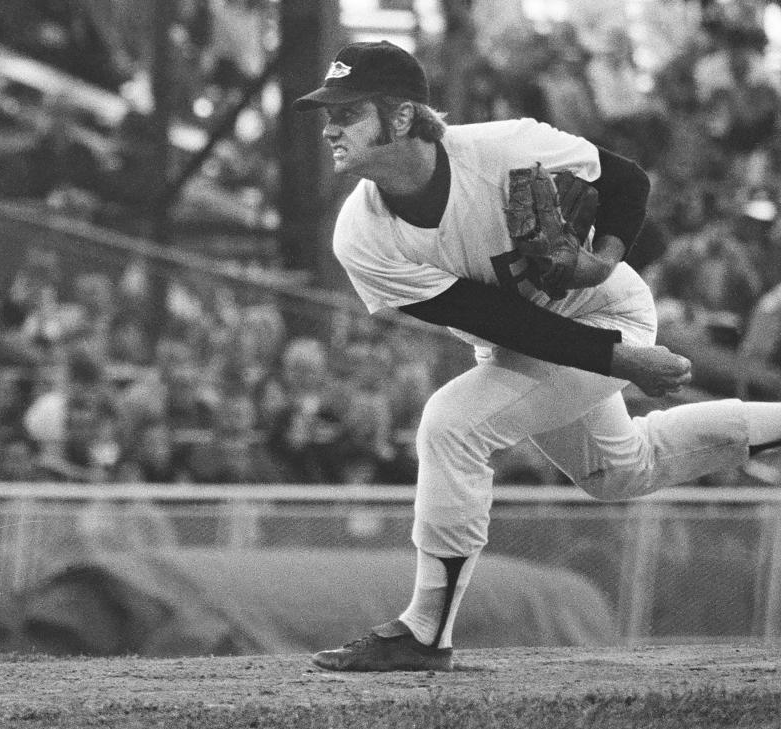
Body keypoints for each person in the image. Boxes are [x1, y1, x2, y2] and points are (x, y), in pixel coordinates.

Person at [292, 40, 781, 672]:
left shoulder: (501, 148)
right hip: (543, 341)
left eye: (348, 111)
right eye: (330, 112)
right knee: (619, 472)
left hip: (607, 313)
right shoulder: (361, 237)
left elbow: (626, 179)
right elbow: (500, 321)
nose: (330, 126)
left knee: (452, 423)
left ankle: (424, 631)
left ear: (404, 116)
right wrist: (622, 364)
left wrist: (602, 261)